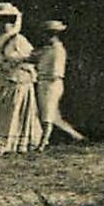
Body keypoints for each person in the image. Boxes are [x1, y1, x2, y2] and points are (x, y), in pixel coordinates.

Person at [0, 2, 44, 155]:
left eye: (7, 19)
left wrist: (16, 61)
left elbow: (31, 57)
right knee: (0, 109)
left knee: (14, 109)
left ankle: (11, 143)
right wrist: (3, 64)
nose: (3, 24)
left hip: (19, 78)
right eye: (0, 20)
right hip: (5, 77)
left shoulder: (19, 39)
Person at [35, 19, 85, 148]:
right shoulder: (46, 49)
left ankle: (43, 142)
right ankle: (77, 137)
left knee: (47, 114)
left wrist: (41, 75)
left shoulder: (58, 50)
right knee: (54, 116)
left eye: (47, 34)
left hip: (51, 84)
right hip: (44, 83)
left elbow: (55, 72)